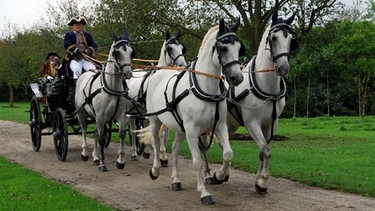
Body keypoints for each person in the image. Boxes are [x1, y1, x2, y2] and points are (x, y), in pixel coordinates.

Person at [63, 16, 98, 103]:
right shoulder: (69, 34)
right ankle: (76, 95)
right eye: (76, 25)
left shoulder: (87, 34)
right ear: (73, 26)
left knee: (94, 71)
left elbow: (94, 45)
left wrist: (90, 49)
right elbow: (67, 45)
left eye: (80, 25)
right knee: (77, 72)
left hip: (86, 59)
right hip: (75, 59)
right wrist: (75, 50)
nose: (78, 26)